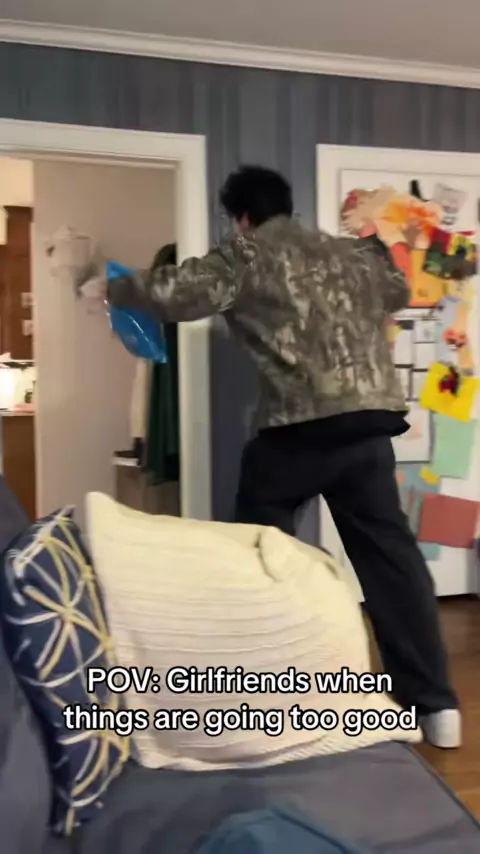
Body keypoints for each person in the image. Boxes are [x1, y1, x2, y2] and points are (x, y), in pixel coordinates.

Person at [107, 165, 460, 749]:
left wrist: (112, 287)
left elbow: (173, 294)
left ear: (242, 217)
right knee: (391, 561)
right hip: (368, 428)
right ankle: (438, 708)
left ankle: (257, 686)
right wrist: (369, 251)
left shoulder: (246, 253)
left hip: (298, 430)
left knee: (254, 549)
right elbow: (398, 290)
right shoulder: (353, 255)